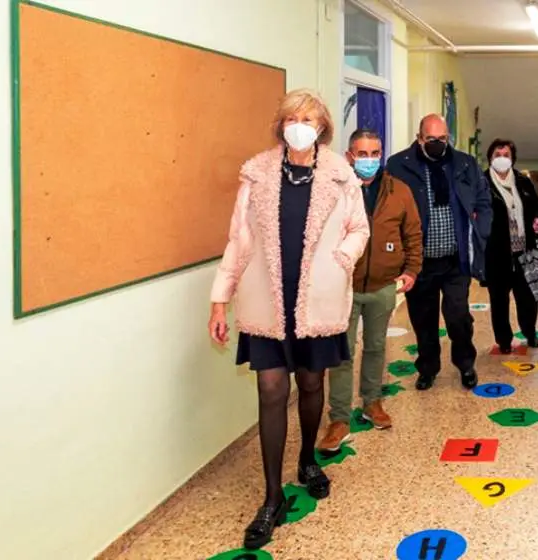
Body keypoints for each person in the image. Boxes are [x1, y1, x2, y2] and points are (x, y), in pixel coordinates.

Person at [207, 89, 369, 550]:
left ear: (322, 127)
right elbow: (237, 240)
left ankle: (307, 460)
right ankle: (273, 496)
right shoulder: (256, 174)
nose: (299, 123)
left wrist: (341, 258)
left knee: (312, 384)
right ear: (280, 124)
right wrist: (220, 300)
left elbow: (360, 228)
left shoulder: (341, 175)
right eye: (292, 117)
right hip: (266, 302)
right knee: (272, 389)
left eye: (309, 117)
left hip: (318, 300)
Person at [318, 129, 423, 451]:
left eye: (375, 153)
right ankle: (338, 418)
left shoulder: (399, 190)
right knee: (342, 353)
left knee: (376, 347)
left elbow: (413, 233)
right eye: (362, 154)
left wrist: (412, 269)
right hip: (343, 286)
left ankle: (372, 403)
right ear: (350, 156)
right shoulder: (334, 191)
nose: (369, 160)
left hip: (382, 286)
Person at [385, 114, 493, 391]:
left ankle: (465, 364)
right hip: (418, 261)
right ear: (419, 138)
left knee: (457, 315)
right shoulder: (398, 166)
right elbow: (389, 209)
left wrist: (481, 229)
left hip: (455, 259)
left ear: (449, 138)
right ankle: (428, 368)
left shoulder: (464, 164)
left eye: (442, 139)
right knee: (423, 320)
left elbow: (483, 198)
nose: (437, 144)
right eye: (431, 139)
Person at [483, 139, 538, 353]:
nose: (501, 158)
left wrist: (537, 219)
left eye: (506, 154)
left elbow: (537, 207)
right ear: (490, 158)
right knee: (499, 301)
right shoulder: (482, 183)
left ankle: (530, 332)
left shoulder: (523, 181)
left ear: (512, 158)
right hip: (496, 253)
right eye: (497, 154)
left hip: (524, 251)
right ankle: (504, 340)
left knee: (527, 298)